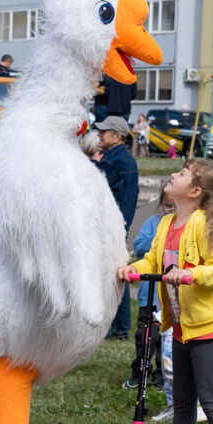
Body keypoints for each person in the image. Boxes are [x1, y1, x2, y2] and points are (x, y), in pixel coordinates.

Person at [119, 159, 213, 424]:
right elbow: (153, 262)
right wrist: (133, 270)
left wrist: (192, 274)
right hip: (182, 327)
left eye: (182, 174)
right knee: (183, 401)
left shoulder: (203, 225)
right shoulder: (167, 223)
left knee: (212, 402)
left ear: (195, 192)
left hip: (210, 329)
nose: (173, 175)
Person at [92, 115, 138, 341]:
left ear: (117, 136)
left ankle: (120, 329)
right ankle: (115, 327)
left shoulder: (122, 163)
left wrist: (120, 230)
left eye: (105, 131)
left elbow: (125, 202)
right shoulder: (113, 159)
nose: (100, 134)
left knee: (117, 275)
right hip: (109, 227)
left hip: (114, 229)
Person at [124, 190, 175, 391]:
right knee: (145, 338)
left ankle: (162, 376)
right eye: (167, 206)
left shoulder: (183, 228)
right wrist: (157, 237)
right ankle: (139, 373)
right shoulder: (153, 223)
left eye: (174, 206)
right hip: (150, 297)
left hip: (170, 299)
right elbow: (138, 248)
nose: (170, 210)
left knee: (166, 341)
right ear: (161, 204)